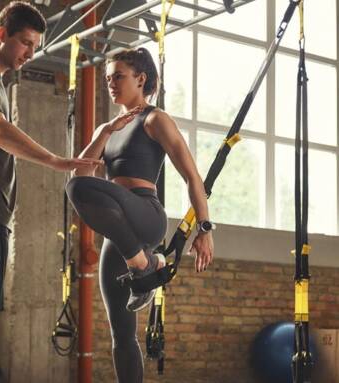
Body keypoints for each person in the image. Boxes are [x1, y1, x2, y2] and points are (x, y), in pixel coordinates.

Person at [0, 2, 101, 382]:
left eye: (34, 46)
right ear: (1, 33)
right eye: (25, 43)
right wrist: (55, 160)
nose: (30, 53)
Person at [65, 47, 214, 383]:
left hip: (145, 214)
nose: (111, 84)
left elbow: (192, 176)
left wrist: (204, 228)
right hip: (119, 235)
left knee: (78, 190)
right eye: (107, 79)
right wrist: (105, 131)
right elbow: (80, 177)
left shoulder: (154, 119)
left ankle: (145, 263)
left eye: (118, 76)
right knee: (122, 334)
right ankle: (143, 263)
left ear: (141, 79)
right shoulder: (109, 127)